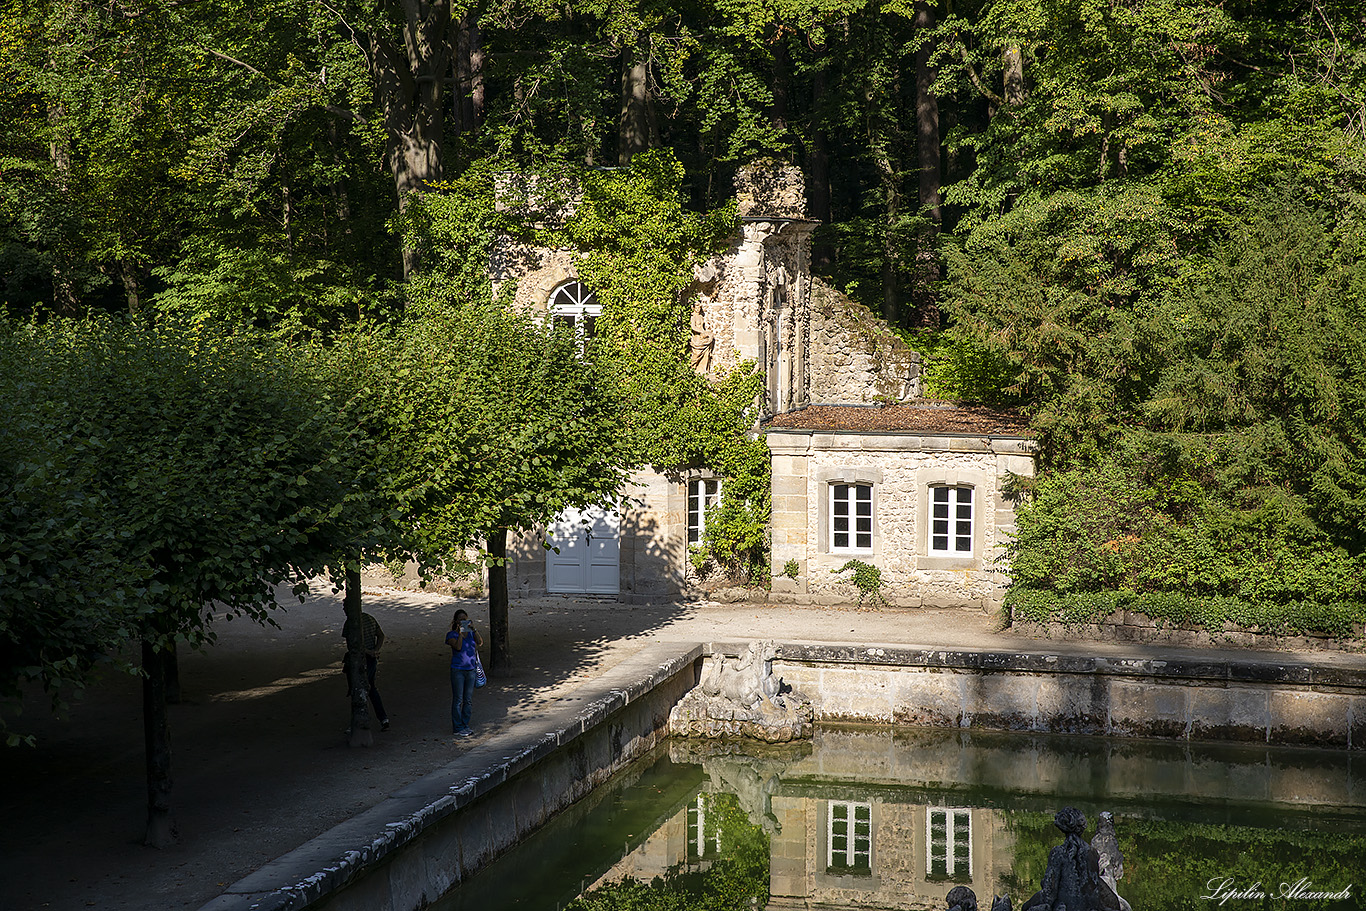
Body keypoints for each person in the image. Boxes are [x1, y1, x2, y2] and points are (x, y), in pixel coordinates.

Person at [342, 610, 390, 731]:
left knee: (358, 688)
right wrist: (376, 650)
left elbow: (353, 645)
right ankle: (383, 718)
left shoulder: (350, 623)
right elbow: (381, 635)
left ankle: (357, 721)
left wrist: (370, 651)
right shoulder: (370, 618)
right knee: (371, 687)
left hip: (358, 660)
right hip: (371, 658)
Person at [446, 609, 483, 739]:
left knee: (468, 700)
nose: (463, 622)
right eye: (461, 620)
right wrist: (460, 633)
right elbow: (458, 647)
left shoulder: (472, 633)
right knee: (458, 699)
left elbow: (480, 642)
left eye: (465, 619)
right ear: (456, 621)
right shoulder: (451, 635)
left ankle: (465, 724)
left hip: (471, 669)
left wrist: (474, 629)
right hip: (458, 670)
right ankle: (457, 727)